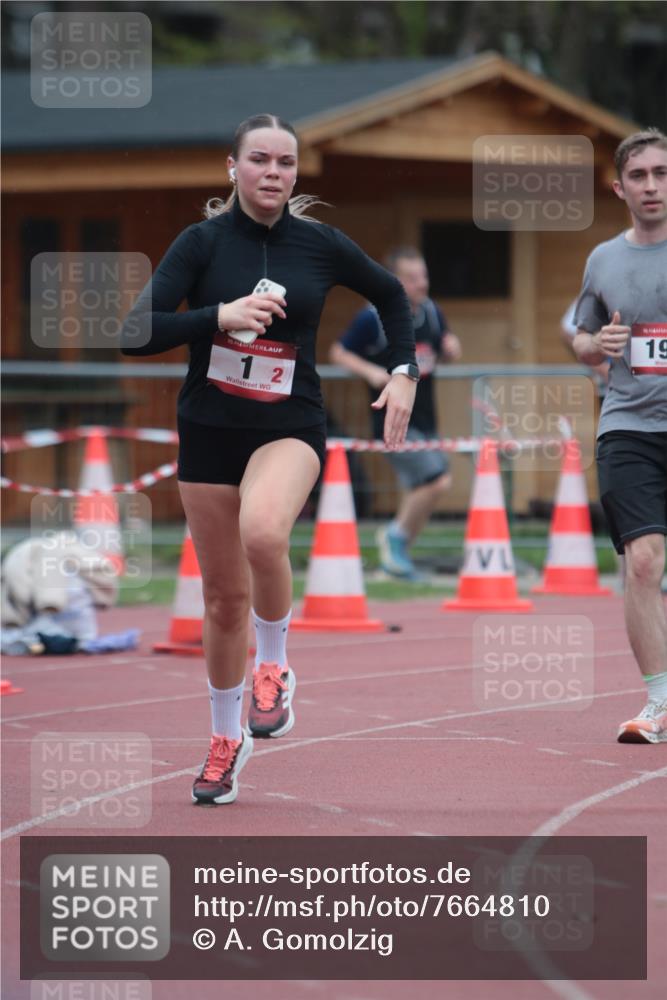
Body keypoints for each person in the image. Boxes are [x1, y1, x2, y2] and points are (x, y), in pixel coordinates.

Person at [122, 114, 417, 803]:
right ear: (233, 168)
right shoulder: (199, 244)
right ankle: (227, 739)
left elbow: (391, 295)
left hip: (289, 424)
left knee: (263, 531)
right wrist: (216, 318)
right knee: (222, 599)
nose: (273, 173)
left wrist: (402, 370)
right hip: (208, 430)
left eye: (285, 163)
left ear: (295, 174)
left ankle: (275, 666)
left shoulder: (320, 245)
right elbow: (136, 333)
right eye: (259, 160)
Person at [572, 127, 667, 744]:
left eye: (662, 174)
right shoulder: (603, 259)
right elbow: (580, 336)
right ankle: (659, 702)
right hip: (628, 425)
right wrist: (595, 346)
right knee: (644, 563)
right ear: (619, 187)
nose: (652, 186)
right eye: (640, 176)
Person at [330, 247, 461, 579]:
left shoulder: (431, 312)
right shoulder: (372, 317)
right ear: (395, 281)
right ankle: (395, 538)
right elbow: (338, 352)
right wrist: (371, 373)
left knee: (425, 484)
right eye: (413, 278)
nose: (422, 284)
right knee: (436, 481)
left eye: (424, 276)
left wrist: (451, 349)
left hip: (426, 417)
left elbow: (442, 348)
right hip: (391, 420)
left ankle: (396, 557)